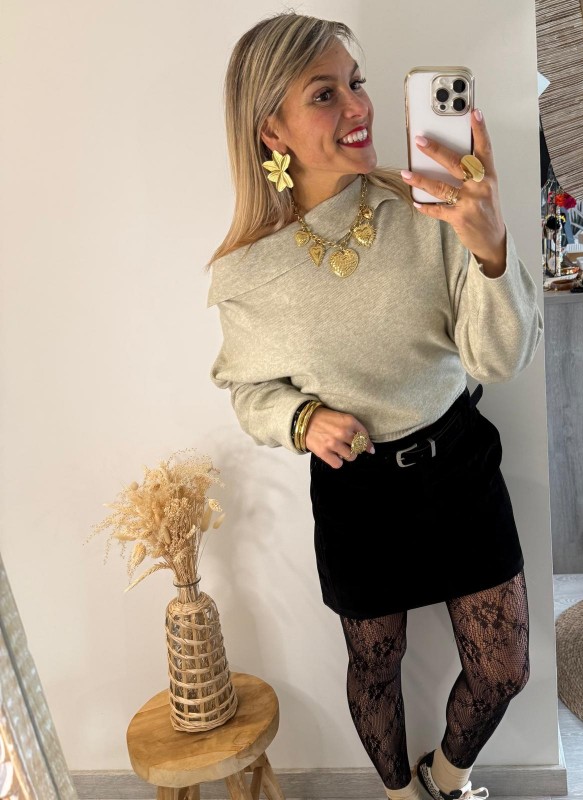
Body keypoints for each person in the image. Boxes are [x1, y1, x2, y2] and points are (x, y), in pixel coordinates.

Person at [205, 13, 543, 800]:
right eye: (325, 93)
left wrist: (491, 247)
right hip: (357, 491)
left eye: (355, 83)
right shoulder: (248, 275)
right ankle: (399, 795)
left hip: (458, 466)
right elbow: (247, 389)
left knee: (504, 669)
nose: (360, 106)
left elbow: (499, 359)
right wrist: (300, 421)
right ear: (272, 130)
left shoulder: (431, 207)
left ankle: (445, 779)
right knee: (374, 665)